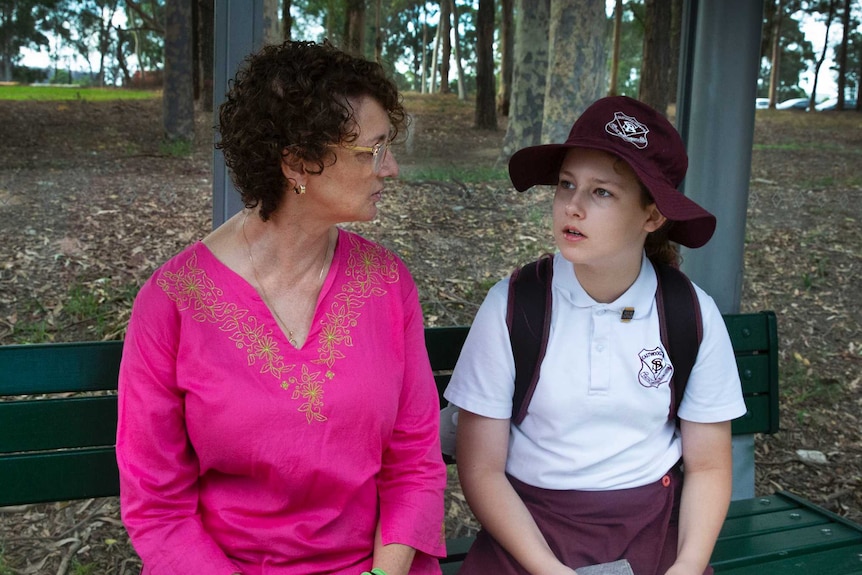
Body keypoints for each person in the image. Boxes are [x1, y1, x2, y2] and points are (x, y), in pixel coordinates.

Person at [116, 40, 447, 575]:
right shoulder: (171, 303)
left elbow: (414, 464)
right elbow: (158, 508)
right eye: (373, 151)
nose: (392, 169)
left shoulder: (389, 284)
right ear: (298, 162)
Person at [442, 96, 747, 575]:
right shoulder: (514, 307)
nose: (573, 206)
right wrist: (547, 568)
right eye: (567, 185)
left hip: (651, 528)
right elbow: (481, 469)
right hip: (528, 533)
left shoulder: (690, 316)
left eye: (601, 192)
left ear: (652, 216)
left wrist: (687, 566)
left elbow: (708, 466)